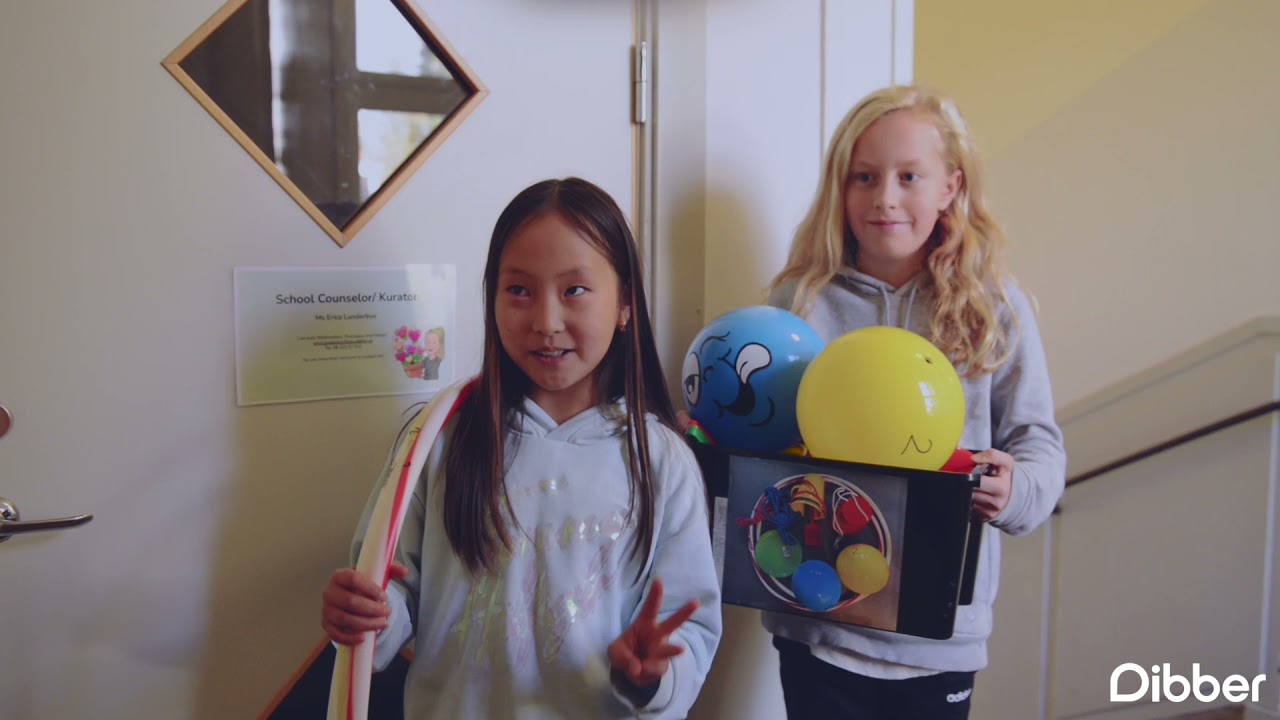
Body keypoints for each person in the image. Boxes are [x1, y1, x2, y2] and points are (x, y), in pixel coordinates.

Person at [321, 177, 721, 720]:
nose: (546, 322)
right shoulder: (439, 437)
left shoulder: (662, 461)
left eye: (574, 290)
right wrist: (362, 619)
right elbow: (386, 596)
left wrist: (656, 675)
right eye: (519, 290)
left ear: (625, 303)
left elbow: (691, 628)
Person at [763, 85, 1066, 718]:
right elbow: (767, 433)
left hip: (941, 640)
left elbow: (1038, 443)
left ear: (951, 187)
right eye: (864, 177)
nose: (885, 198)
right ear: (840, 187)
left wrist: (1015, 491)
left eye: (908, 176)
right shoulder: (800, 301)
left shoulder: (995, 307)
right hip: (819, 626)